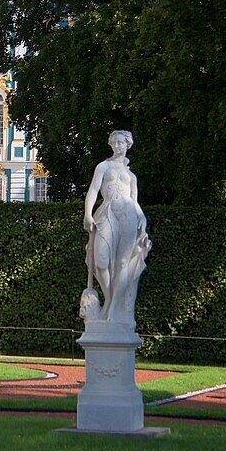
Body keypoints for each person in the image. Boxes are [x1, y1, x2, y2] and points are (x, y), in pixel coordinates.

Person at [83, 130, 151, 322]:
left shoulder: (132, 176)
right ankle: (111, 299)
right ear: (111, 144)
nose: (118, 146)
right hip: (107, 213)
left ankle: (112, 310)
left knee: (123, 263)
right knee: (100, 262)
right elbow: (93, 191)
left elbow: (134, 201)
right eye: (115, 142)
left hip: (128, 215)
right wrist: (88, 214)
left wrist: (142, 217)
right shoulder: (103, 167)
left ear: (127, 144)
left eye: (121, 142)